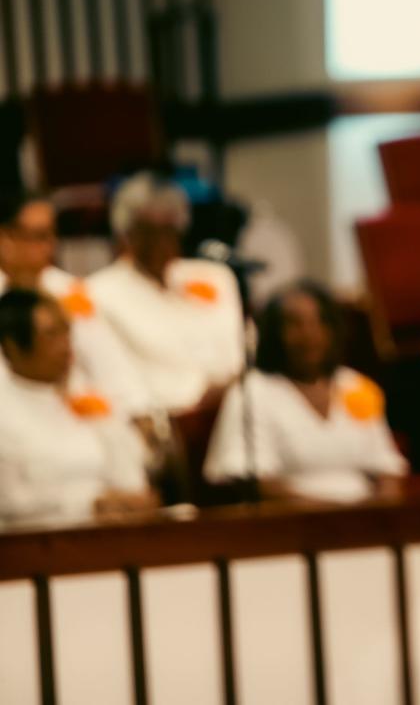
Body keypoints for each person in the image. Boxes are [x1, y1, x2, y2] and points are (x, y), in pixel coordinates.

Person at [203, 280, 408, 503]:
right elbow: (251, 481)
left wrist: (382, 510)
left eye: (319, 322)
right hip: (293, 523)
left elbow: (387, 468)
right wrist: (330, 515)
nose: (310, 334)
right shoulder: (252, 391)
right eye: (295, 324)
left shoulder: (355, 385)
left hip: (365, 519)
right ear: (274, 332)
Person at [87, 172, 245, 414]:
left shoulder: (213, 277)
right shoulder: (98, 292)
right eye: (148, 232)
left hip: (232, 403)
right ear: (126, 234)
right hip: (165, 415)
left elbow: (234, 355)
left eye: (169, 230)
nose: (160, 243)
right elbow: (114, 378)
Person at [0, 289, 156, 529]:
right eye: (51, 334)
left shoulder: (83, 398)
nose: (66, 346)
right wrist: (87, 505)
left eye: (67, 331)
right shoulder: (5, 411)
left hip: (109, 536)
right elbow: (10, 501)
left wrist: (133, 499)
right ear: (12, 347)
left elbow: (128, 473)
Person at [0, 192, 153, 420]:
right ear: (6, 238)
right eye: (39, 236)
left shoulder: (70, 292)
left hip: (79, 413)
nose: (50, 246)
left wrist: (140, 412)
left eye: (53, 234)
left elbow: (110, 363)